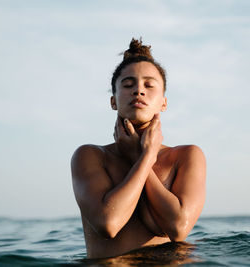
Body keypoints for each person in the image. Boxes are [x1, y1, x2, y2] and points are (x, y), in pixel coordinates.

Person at [71, 38, 206, 259]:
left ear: (163, 102)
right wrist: (145, 158)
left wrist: (139, 155)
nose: (138, 91)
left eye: (149, 85)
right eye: (128, 85)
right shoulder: (90, 156)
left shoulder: (187, 156)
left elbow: (179, 228)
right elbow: (108, 224)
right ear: (113, 101)